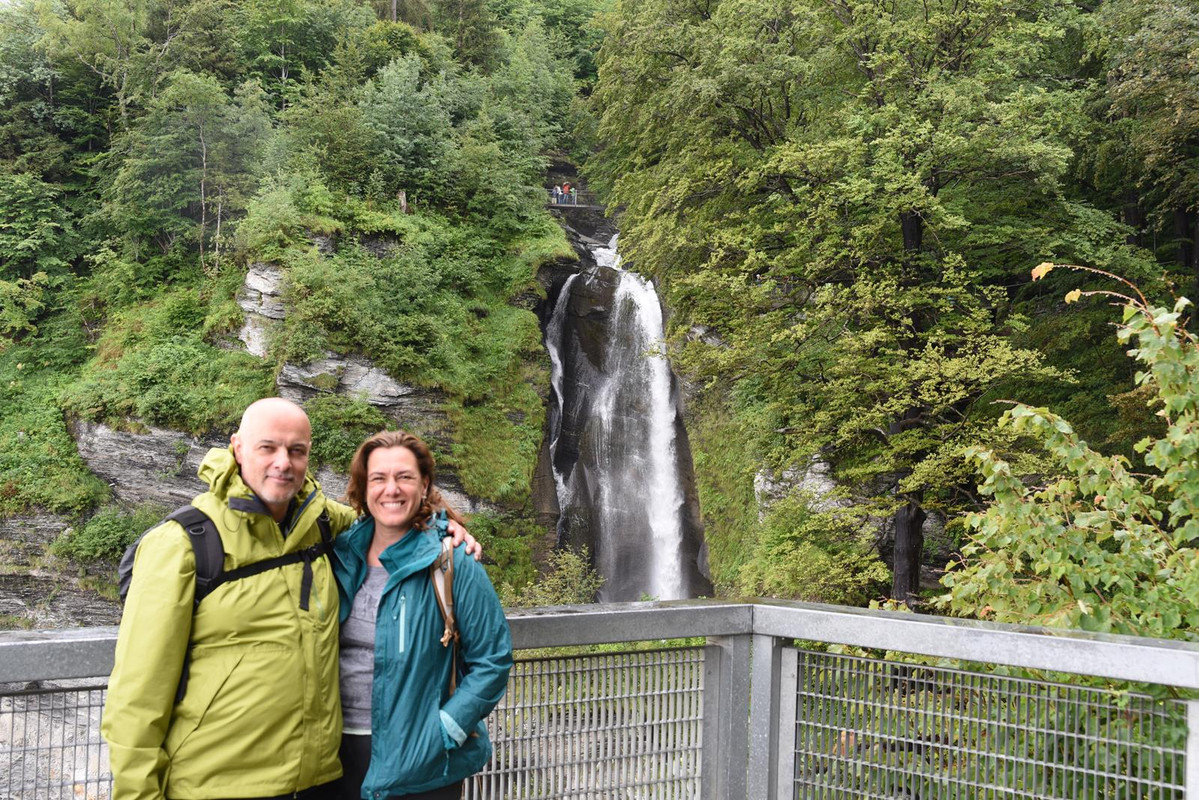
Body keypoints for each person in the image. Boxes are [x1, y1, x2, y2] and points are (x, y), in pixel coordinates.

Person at [102, 398, 479, 800]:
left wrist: (445, 525)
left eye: (296, 451)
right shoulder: (182, 544)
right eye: (268, 447)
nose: (283, 462)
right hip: (217, 784)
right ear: (237, 447)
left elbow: (390, 511)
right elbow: (137, 697)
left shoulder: (319, 523)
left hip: (316, 781)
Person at [333, 431, 512, 800]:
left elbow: (492, 660)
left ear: (424, 484)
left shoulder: (452, 561)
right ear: (363, 486)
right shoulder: (338, 555)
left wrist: (444, 730)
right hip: (335, 758)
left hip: (422, 763)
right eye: (379, 478)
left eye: (405, 477)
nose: (391, 489)